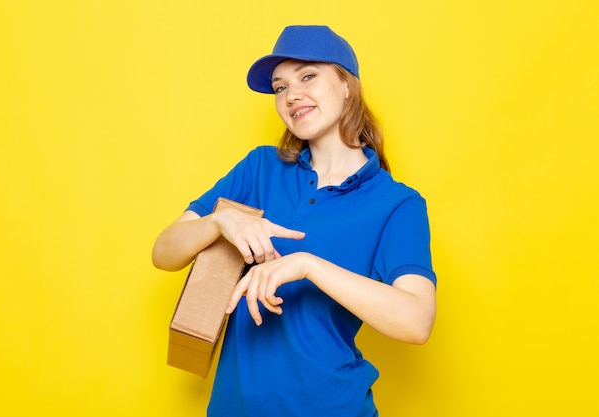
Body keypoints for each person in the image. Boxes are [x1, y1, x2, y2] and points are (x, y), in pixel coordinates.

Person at [152, 25, 437, 417]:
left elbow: (417, 321)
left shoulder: (397, 204)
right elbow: (163, 252)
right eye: (280, 87)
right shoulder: (259, 169)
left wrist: (307, 265)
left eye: (308, 76)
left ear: (347, 86)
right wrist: (220, 222)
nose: (292, 96)